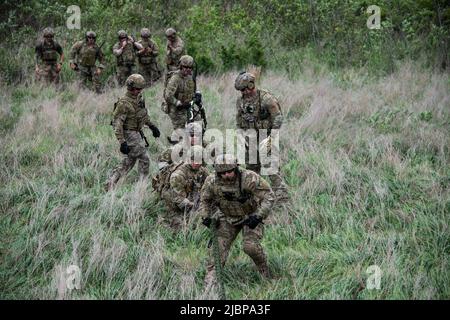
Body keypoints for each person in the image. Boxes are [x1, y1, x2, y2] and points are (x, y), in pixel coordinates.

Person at [199, 154, 275, 287]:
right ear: (218, 172)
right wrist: (206, 216)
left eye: (230, 171)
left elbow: (269, 196)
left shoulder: (249, 178)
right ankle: (211, 282)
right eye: (223, 173)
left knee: (250, 246)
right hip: (227, 218)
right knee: (218, 248)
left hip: (250, 216)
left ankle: (263, 269)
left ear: (236, 168)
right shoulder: (211, 181)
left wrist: (258, 216)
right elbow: (205, 200)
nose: (227, 175)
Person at [235, 71, 288, 202]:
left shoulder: (266, 98)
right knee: (252, 170)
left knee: (272, 170)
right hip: (250, 139)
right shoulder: (240, 101)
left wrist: (272, 137)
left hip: (266, 138)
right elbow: (239, 119)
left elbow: (278, 118)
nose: (244, 92)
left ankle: (282, 200)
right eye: (241, 90)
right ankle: (255, 199)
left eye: (246, 88)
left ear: (252, 85)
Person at [105, 74, 160, 191]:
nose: (139, 91)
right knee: (144, 158)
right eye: (137, 89)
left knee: (130, 160)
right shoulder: (124, 103)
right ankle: (141, 186)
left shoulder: (139, 99)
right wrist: (122, 142)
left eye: (141, 89)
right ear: (130, 88)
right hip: (129, 133)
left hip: (137, 132)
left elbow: (143, 115)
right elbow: (117, 123)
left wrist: (152, 126)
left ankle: (111, 182)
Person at [161, 145, 209, 231]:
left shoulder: (202, 170)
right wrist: (196, 210)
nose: (197, 162)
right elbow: (178, 199)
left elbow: (209, 184)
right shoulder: (178, 175)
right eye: (194, 159)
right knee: (183, 229)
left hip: (191, 197)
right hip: (174, 203)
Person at [163, 55, 201, 131]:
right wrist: (178, 103)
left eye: (190, 68)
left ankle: (198, 141)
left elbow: (192, 90)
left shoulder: (190, 77)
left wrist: (197, 94)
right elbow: (168, 95)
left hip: (187, 107)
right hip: (176, 109)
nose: (188, 70)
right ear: (181, 67)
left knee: (198, 122)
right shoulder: (175, 78)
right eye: (186, 67)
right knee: (181, 130)